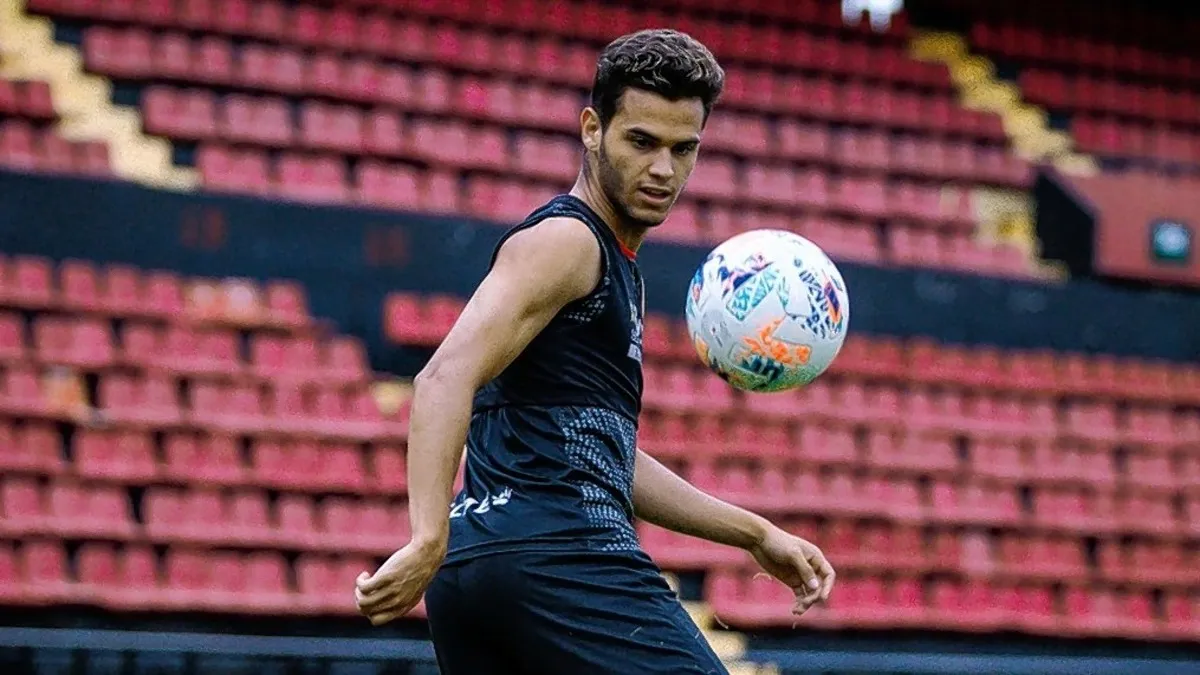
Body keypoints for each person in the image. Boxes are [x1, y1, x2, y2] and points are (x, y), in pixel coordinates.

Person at [354, 28, 835, 674]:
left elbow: (606, 456)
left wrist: (754, 532)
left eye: (683, 149)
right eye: (641, 142)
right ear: (592, 130)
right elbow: (442, 375)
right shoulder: (568, 242)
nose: (663, 169)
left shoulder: (609, 264)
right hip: (564, 552)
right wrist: (425, 537)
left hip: (482, 569)